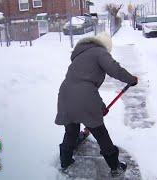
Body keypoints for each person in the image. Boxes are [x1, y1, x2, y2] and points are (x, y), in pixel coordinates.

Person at [55, 32, 138, 177]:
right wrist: (131, 79)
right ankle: (115, 166)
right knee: (100, 133)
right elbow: (114, 69)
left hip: (64, 95)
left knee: (71, 131)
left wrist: (100, 107)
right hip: (84, 97)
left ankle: (65, 161)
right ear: (106, 46)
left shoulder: (81, 54)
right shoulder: (100, 51)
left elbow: (85, 87)